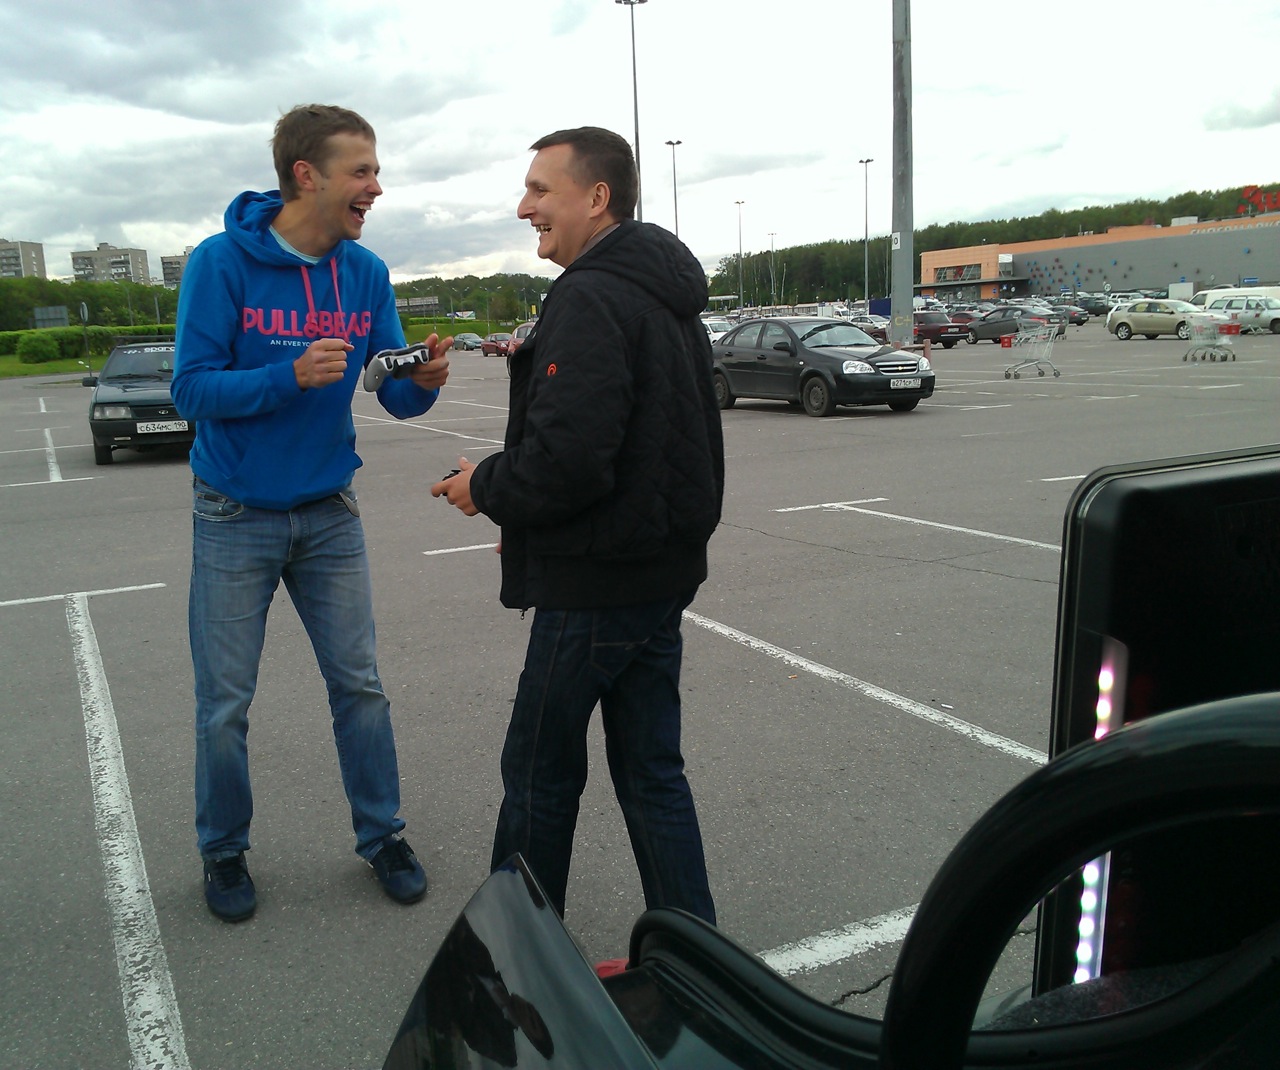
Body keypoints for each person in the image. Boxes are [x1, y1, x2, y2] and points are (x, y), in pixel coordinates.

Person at [431, 126, 724, 926]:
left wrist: (485, 485)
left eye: (539, 190)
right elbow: (643, 451)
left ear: (597, 198)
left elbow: (570, 461)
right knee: (652, 772)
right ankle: (693, 951)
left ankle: (515, 964)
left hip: (598, 585)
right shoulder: (661, 291)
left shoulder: (591, 295)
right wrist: (519, 508)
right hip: (658, 572)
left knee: (538, 772)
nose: (524, 207)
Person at [173, 103, 450, 922]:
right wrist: (286, 377)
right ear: (307, 175)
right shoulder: (220, 262)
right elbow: (190, 389)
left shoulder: (364, 272)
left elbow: (390, 390)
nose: (377, 187)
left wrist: (421, 382)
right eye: (362, 171)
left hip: (329, 511)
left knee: (360, 686)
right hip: (234, 512)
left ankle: (382, 836)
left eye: (376, 170)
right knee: (225, 704)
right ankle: (224, 851)